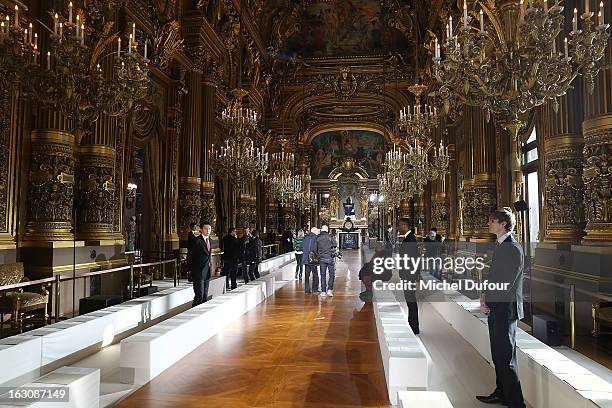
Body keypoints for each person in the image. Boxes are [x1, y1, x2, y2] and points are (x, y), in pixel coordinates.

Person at [477, 208, 525, 408]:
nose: (489, 224)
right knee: (498, 354)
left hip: (504, 309)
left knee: (506, 357)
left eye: (492, 221)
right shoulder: (501, 245)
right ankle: (502, 393)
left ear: (503, 224)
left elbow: (506, 283)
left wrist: (489, 302)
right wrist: (485, 297)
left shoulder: (511, 247)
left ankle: (516, 403)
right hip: (498, 307)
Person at [397, 217, 420, 334]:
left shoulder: (410, 239)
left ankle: (414, 326)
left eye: (400, 225)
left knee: (411, 300)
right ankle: (411, 323)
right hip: (408, 274)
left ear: (405, 226)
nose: (399, 227)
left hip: (408, 275)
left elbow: (412, 259)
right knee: (409, 300)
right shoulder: (408, 238)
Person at [189, 221, 213, 307]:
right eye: (206, 228)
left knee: (205, 296)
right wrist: (191, 271)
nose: (208, 230)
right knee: (199, 296)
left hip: (207, 271)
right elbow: (190, 256)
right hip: (198, 272)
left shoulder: (210, 240)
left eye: (209, 228)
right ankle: (193, 314)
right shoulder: (196, 241)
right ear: (201, 229)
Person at [315, 224, 337, 297]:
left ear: (321, 229)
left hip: (322, 259)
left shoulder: (318, 237)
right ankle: (330, 290)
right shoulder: (330, 237)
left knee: (323, 275)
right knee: (332, 275)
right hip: (330, 258)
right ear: (327, 230)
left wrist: (319, 255)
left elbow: (314, 248)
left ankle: (323, 291)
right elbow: (335, 244)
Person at [301, 227, 320, 294]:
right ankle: (315, 290)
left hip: (305, 259)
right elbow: (315, 249)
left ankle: (307, 290)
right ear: (314, 231)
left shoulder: (305, 237)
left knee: (307, 275)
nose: (318, 231)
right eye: (317, 230)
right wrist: (318, 256)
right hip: (312, 259)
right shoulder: (315, 237)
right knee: (315, 275)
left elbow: (301, 247)